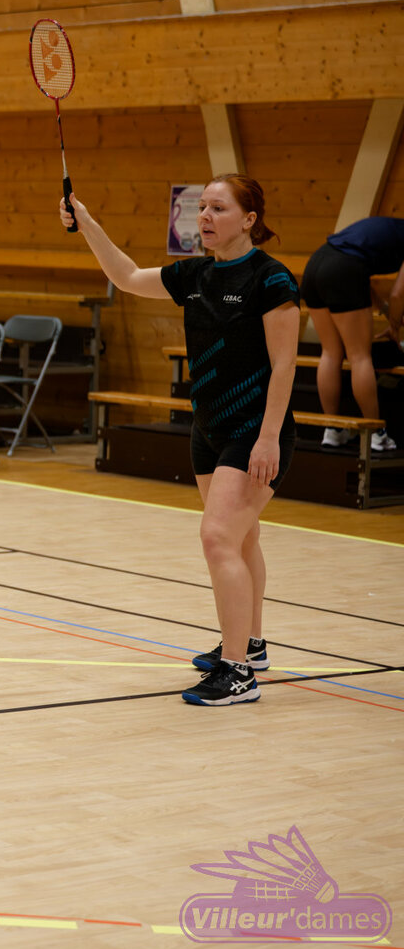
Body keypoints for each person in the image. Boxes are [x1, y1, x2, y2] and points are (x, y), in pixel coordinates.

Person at [61, 174, 300, 707]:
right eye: (202, 208)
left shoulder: (271, 279)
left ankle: (237, 673)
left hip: (254, 432)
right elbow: (126, 276)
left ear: (249, 219)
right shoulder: (194, 275)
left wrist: (268, 439)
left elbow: (285, 365)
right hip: (208, 429)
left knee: (217, 538)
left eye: (219, 208)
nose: (206, 217)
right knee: (241, 538)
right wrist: (86, 222)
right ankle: (251, 644)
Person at [300, 216, 404, 452]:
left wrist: (385, 310)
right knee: (359, 357)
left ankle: (333, 429)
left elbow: (359, 276)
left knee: (330, 353)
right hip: (343, 269)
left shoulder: (389, 230)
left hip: (315, 264)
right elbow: (398, 294)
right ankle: (376, 433)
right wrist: (394, 326)